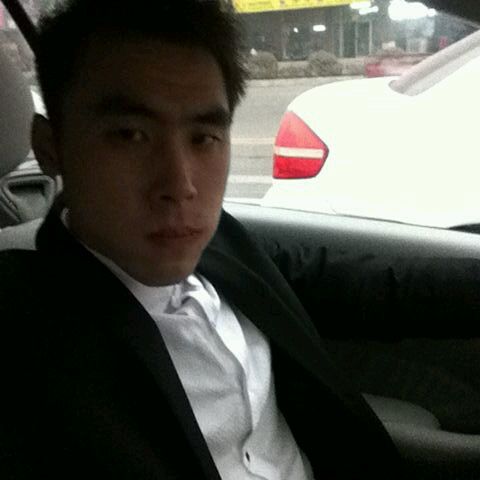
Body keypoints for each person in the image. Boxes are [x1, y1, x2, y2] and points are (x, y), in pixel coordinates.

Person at [2, 0, 477, 478]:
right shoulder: (24, 332)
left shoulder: (223, 243)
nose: (180, 185)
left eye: (204, 138)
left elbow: (364, 283)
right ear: (50, 146)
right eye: (129, 135)